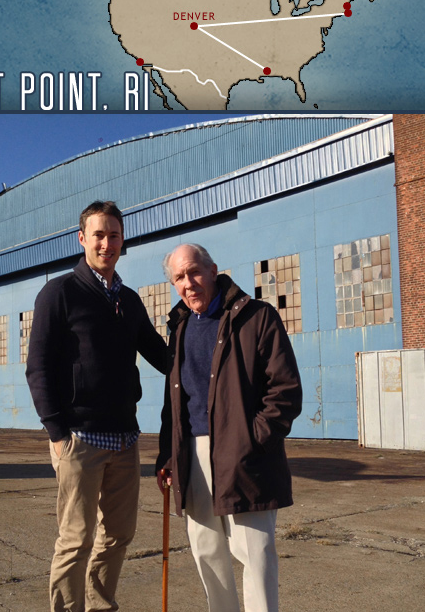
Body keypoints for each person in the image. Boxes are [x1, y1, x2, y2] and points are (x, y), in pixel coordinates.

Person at [26, 200, 167, 612]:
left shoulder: (130, 301)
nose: (107, 243)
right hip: (79, 439)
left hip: (124, 439)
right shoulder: (60, 293)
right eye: (99, 235)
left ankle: (100, 605)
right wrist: (57, 433)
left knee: (119, 535)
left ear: (123, 240)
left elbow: (163, 356)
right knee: (76, 539)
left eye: (114, 235)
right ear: (82, 239)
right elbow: (38, 367)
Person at [156, 243, 302, 612]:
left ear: (213, 270)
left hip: (245, 455)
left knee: (256, 554)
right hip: (193, 457)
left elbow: (285, 390)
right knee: (207, 554)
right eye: (179, 277)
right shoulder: (179, 328)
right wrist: (168, 456)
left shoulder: (257, 317)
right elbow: (174, 403)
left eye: (194, 272)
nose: (188, 283)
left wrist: (253, 439)